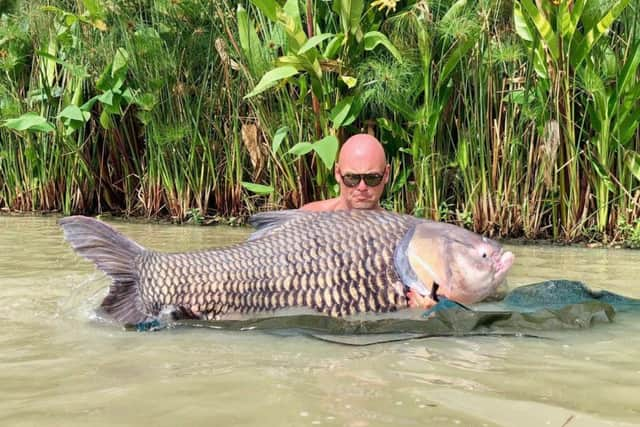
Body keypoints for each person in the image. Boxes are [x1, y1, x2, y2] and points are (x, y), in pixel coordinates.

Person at [300, 134, 390, 211]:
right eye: (352, 178)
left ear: (386, 174)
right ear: (337, 173)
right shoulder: (309, 217)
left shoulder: (398, 229)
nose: (362, 187)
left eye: (372, 178)